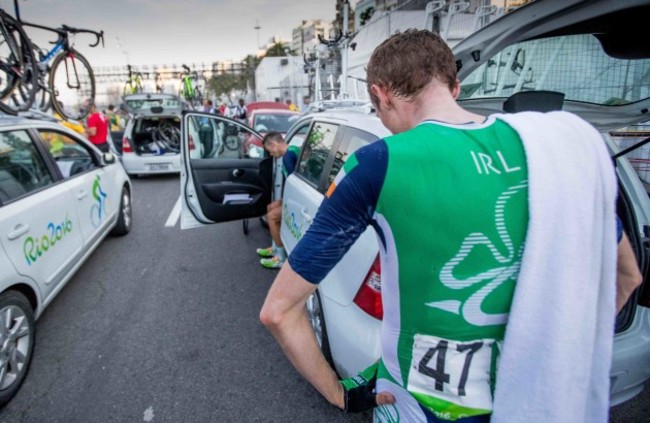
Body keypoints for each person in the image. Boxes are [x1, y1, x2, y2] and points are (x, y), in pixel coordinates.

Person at [259, 29, 642, 422]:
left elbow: (279, 312)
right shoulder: (555, 151)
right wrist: (563, 353)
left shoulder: (379, 162)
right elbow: (626, 276)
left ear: (382, 94)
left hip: (421, 404)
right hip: (536, 395)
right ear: (455, 86)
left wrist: (341, 395)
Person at [256, 131, 300, 269]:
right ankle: (275, 247)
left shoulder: (288, 158)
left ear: (274, 144)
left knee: (272, 216)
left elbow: (296, 185)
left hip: (297, 200)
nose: (270, 154)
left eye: (269, 150)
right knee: (270, 207)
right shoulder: (293, 150)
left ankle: (280, 258)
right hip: (291, 197)